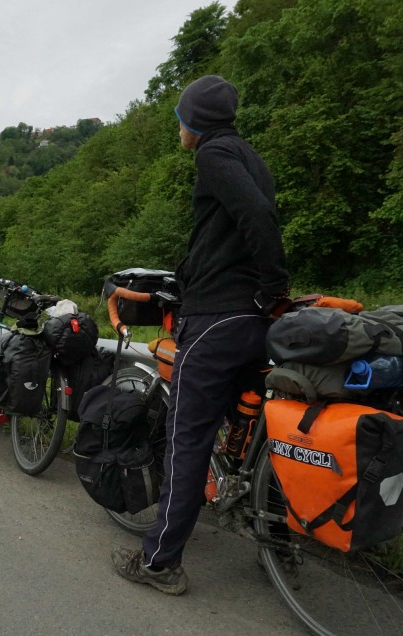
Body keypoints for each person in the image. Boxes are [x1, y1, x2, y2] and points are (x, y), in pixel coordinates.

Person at [112, 75, 289, 595]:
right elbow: (242, 223)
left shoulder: (212, 154)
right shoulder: (251, 157)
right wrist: (269, 295)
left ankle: (159, 564)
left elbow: (256, 215)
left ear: (196, 121)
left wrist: (273, 284)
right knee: (256, 431)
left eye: (180, 117)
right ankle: (275, 540)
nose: (178, 126)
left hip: (216, 320)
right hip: (253, 322)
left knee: (186, 442)